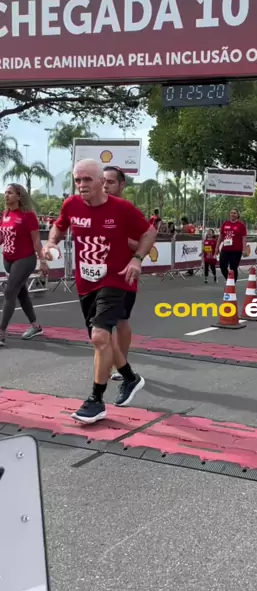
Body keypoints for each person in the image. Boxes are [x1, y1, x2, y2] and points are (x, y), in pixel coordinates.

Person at [43, 159, 156, 423]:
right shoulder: (71, 205)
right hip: (86, 283)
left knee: (99, 336)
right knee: (101, 340)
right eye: (77, 180)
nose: (81, 185)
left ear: (101, 182)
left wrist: (137, 259)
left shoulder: (121, 208)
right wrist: (51, 243)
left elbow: (149, 233)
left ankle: (95, 400)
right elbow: (59, 225)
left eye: (87, 179)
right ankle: (130, 377)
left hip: (115, 280)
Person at [103, 165, 157, 382]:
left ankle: (121, 364)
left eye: (110, 182)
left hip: (123, 276)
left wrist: (126, 244)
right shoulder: (94, 210)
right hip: (99, 277)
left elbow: (145, 243)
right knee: (101, 326)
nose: (105, 186)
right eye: (103, 181)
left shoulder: (127, 211)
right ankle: (108, 363)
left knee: (120, 321)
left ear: (122, 185)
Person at [0, 183, 48, 346]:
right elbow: (3, 237)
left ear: (19, 196)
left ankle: (1, 333)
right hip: (8, 260)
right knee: (22, 294)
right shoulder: (5, 214)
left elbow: (36, 241)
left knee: (9, 292)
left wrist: (43, 261)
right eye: (5, 192)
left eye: (10, 193)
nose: (6, 195)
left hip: (25, 259)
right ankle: (36, 326)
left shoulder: (28, 216)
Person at [215, 209, 247, 283]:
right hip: (225, 249)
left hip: (236, 250)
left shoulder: (241, 225)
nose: (232, 214)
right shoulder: (225, 224)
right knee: (222, 266)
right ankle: (229, 281)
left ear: (238, 215)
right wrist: (217, 247)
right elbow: (221, 236)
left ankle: (232, 284)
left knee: (233, 267)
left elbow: (244, 238)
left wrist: (244, 249)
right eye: (231, 213)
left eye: (234, 213)